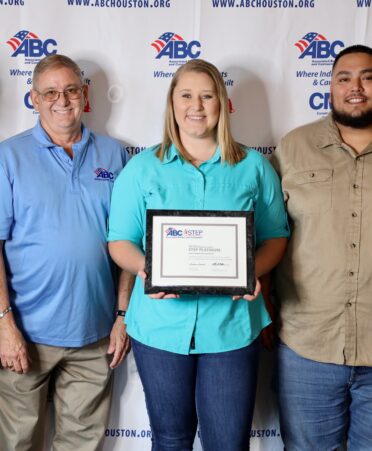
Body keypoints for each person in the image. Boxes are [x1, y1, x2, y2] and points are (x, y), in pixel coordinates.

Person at [108, 59, 289, 451]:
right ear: (172, 104)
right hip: (159, 326)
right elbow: (120, 241)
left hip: (231, 325)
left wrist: (248, 270)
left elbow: (276, 238)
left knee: (227, 443)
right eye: (186, 95)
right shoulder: (142, 169)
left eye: (207, 96)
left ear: (223, 104)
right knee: (170, 440)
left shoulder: (254, 167)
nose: (197, 105)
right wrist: (148, 268)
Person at [0, 54, 132, 451]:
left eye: (71, 89)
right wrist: (4, 324)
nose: (63, 100)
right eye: (51, 92)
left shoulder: (114, 155)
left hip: (94, 337)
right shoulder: (8, 157)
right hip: (25, 335)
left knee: (80, 446)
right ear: (34, 99)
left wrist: (123, 315)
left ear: (84, 94)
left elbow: (129, 241)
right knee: (16, 443)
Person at [272, 44, 372, 450]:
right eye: (344, 78)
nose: (356, 88)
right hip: (307, 344)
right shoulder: (293, 148)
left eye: (368, 77)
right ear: (329, 86)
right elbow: (268, 234)